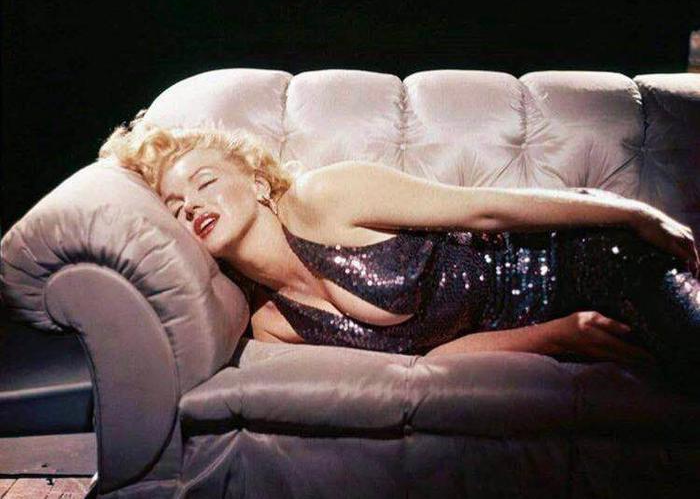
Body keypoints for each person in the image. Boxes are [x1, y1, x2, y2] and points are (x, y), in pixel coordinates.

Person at [98, 111, 700, 393]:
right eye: (175, 205)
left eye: (204, 181)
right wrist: (560, 334)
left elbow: (485, 209)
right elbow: (429, 356)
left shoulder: (323, 197)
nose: (191, 205)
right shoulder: (271, 323)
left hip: (586, 255)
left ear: (257, 183)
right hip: (557, 315)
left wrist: (631, 213)